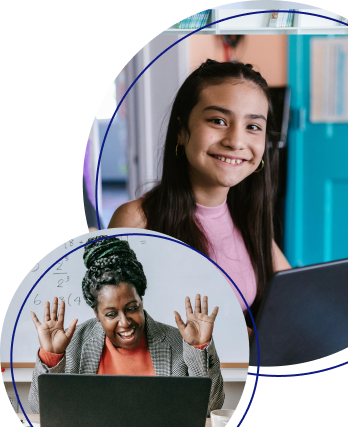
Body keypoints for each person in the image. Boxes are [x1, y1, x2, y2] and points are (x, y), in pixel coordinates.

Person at [108, 59, 292, 337]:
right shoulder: (137, 219)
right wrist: (235, 337)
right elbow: (116, 327)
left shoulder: (248, 219)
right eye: (218, 121)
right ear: (181, 132)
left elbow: (296, 300)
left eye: (253, 127)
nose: (236, 141)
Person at [28, 236, 224, 416]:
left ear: (141, 301)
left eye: (132, 308)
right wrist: (51, 357)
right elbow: (39, 410)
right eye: (111, 314)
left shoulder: (177, 343)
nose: (124, 322)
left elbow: (210, 410)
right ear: (96, 313)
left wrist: (199, 349)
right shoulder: (72, 344)